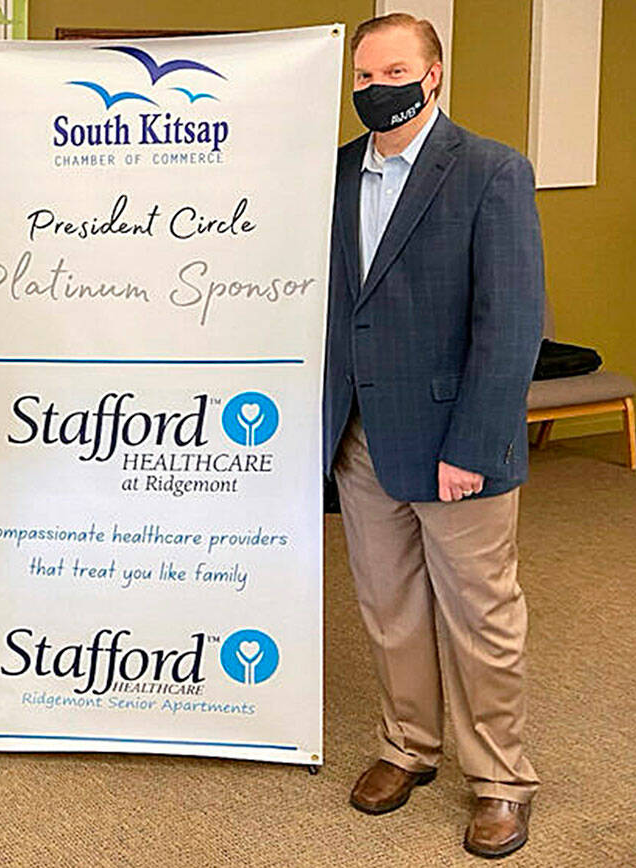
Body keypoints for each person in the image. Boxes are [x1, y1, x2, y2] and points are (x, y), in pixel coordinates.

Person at [323, 13, 545, 859]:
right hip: (362, 435)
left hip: (456, 439)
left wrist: (474, 444)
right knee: (388, 611)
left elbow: (513, 320)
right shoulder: (337, 173)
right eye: (363, 75)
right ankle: (408, 745)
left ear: (434, 75)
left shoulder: (491, 171)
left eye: (393, 70)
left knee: (481, 615)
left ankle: (500, 781)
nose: (376, 86)